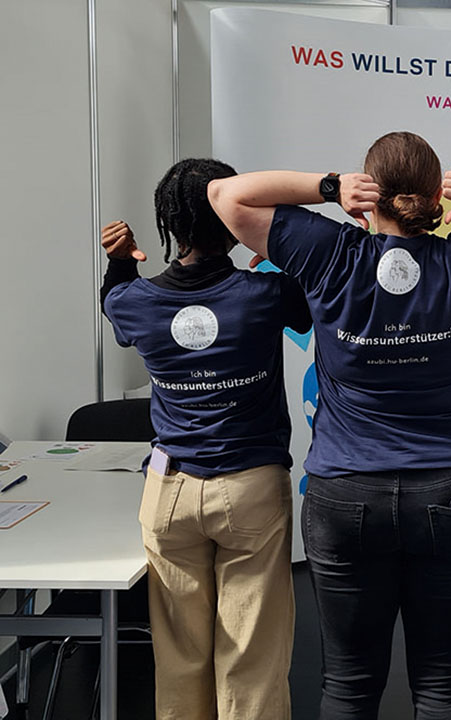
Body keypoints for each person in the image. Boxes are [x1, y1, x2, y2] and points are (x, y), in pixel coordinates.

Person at [207, 130, 451, 719]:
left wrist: (329, 187)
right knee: (443, 682)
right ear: (434, 197)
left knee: (347, 684)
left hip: (345, 493)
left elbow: (226, 194)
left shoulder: (331, 251)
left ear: (371, 195)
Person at [100, 158, 311, 720]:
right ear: (232, 218)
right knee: (252, 655)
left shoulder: (134, 302)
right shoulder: (265, 296)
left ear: (168, 227)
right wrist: (279, 252)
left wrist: (120, 265)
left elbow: (114, 305)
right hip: (250, 487)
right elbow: (310, 303)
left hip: (167, 493)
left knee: (178, 657)